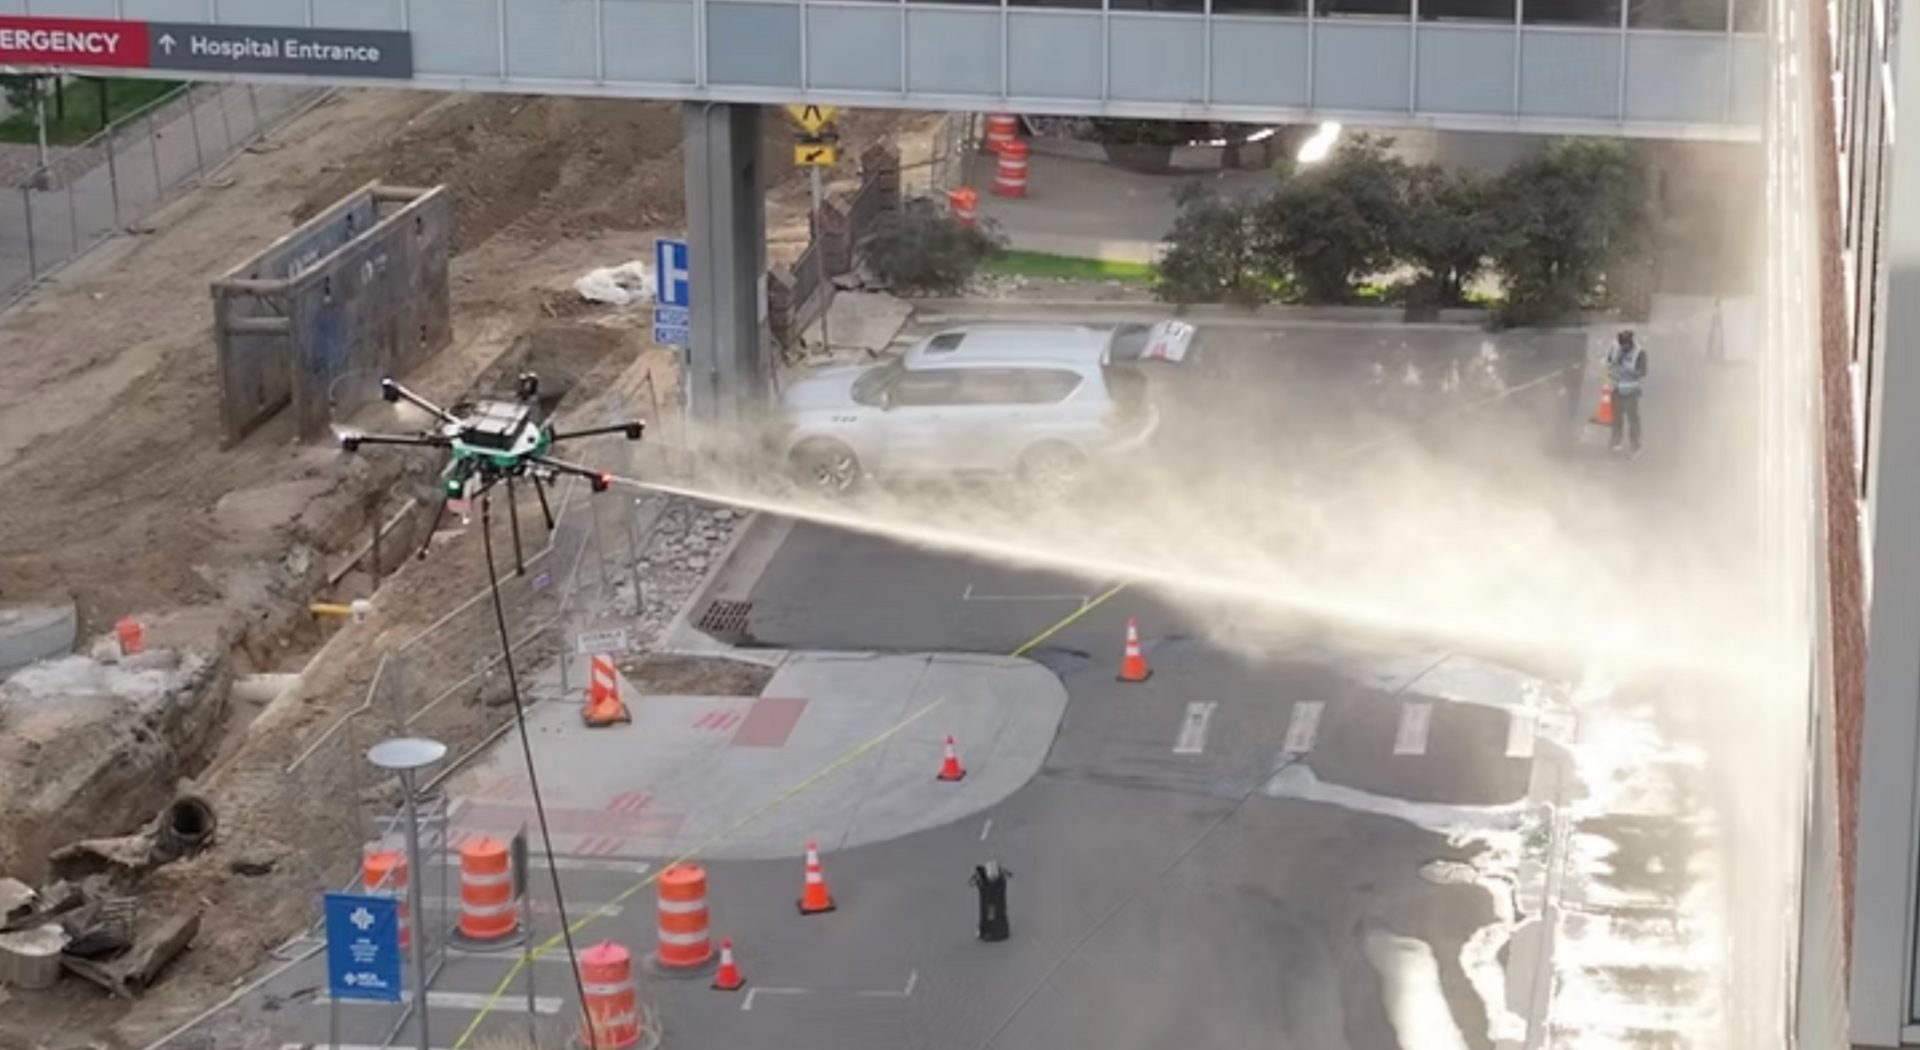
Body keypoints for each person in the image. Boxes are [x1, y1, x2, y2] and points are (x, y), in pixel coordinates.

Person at [1606, 330, 1649, 455]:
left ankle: (1635, 444)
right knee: (1616, 418)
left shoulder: (1639, 352)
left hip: (1631, 391)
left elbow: (1643, 372)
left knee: (1633, 419)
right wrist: (1611, 372)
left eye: (1626, 345)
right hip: (1616, 389)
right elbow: (1609, 362)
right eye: (1622, 344)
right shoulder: (1614, 347)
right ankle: (1615, 442)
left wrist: (1628, 370)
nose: (1623, 347)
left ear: (1631, 342)